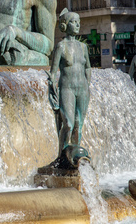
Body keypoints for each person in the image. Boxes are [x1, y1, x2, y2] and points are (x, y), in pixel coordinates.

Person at [48, 9, 91, 160]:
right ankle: (62, 156)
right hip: (67, 88)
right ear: (64, 25)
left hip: (83, 88)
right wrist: (52, 86)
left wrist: (88, 83)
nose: (77, 25)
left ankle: (75, 156)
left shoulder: (83, 47)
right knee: (68, 123)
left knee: (79, 125)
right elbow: (53, 71)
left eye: (78, 22)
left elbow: (88, 67)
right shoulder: (61, 46)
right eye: (73, 22)